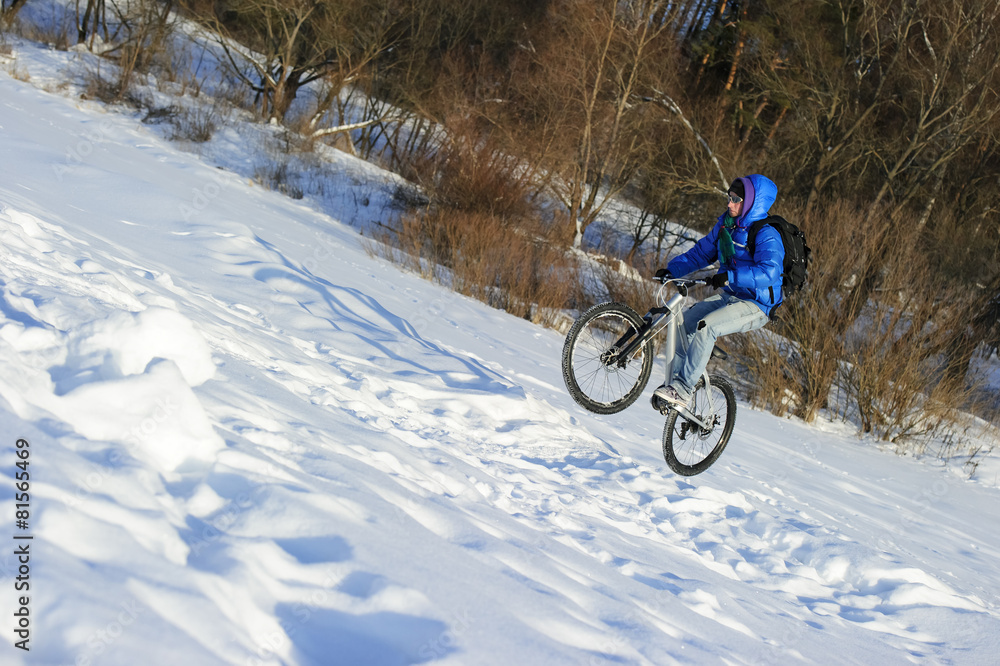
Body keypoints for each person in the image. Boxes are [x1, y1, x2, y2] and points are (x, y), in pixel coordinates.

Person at [651, 174, 784, 411]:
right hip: (730, 295)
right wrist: (673, 270)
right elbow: (701, 253)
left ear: (751, 202)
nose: (729, 204)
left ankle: (683, 389)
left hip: (757, 304)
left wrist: (731, 276)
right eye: (729, 197)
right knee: (684, 324)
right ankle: (675, 384)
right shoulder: (727, 225)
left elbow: (770, 272)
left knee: (706, 326)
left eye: (736, 199)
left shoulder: (766, 233)